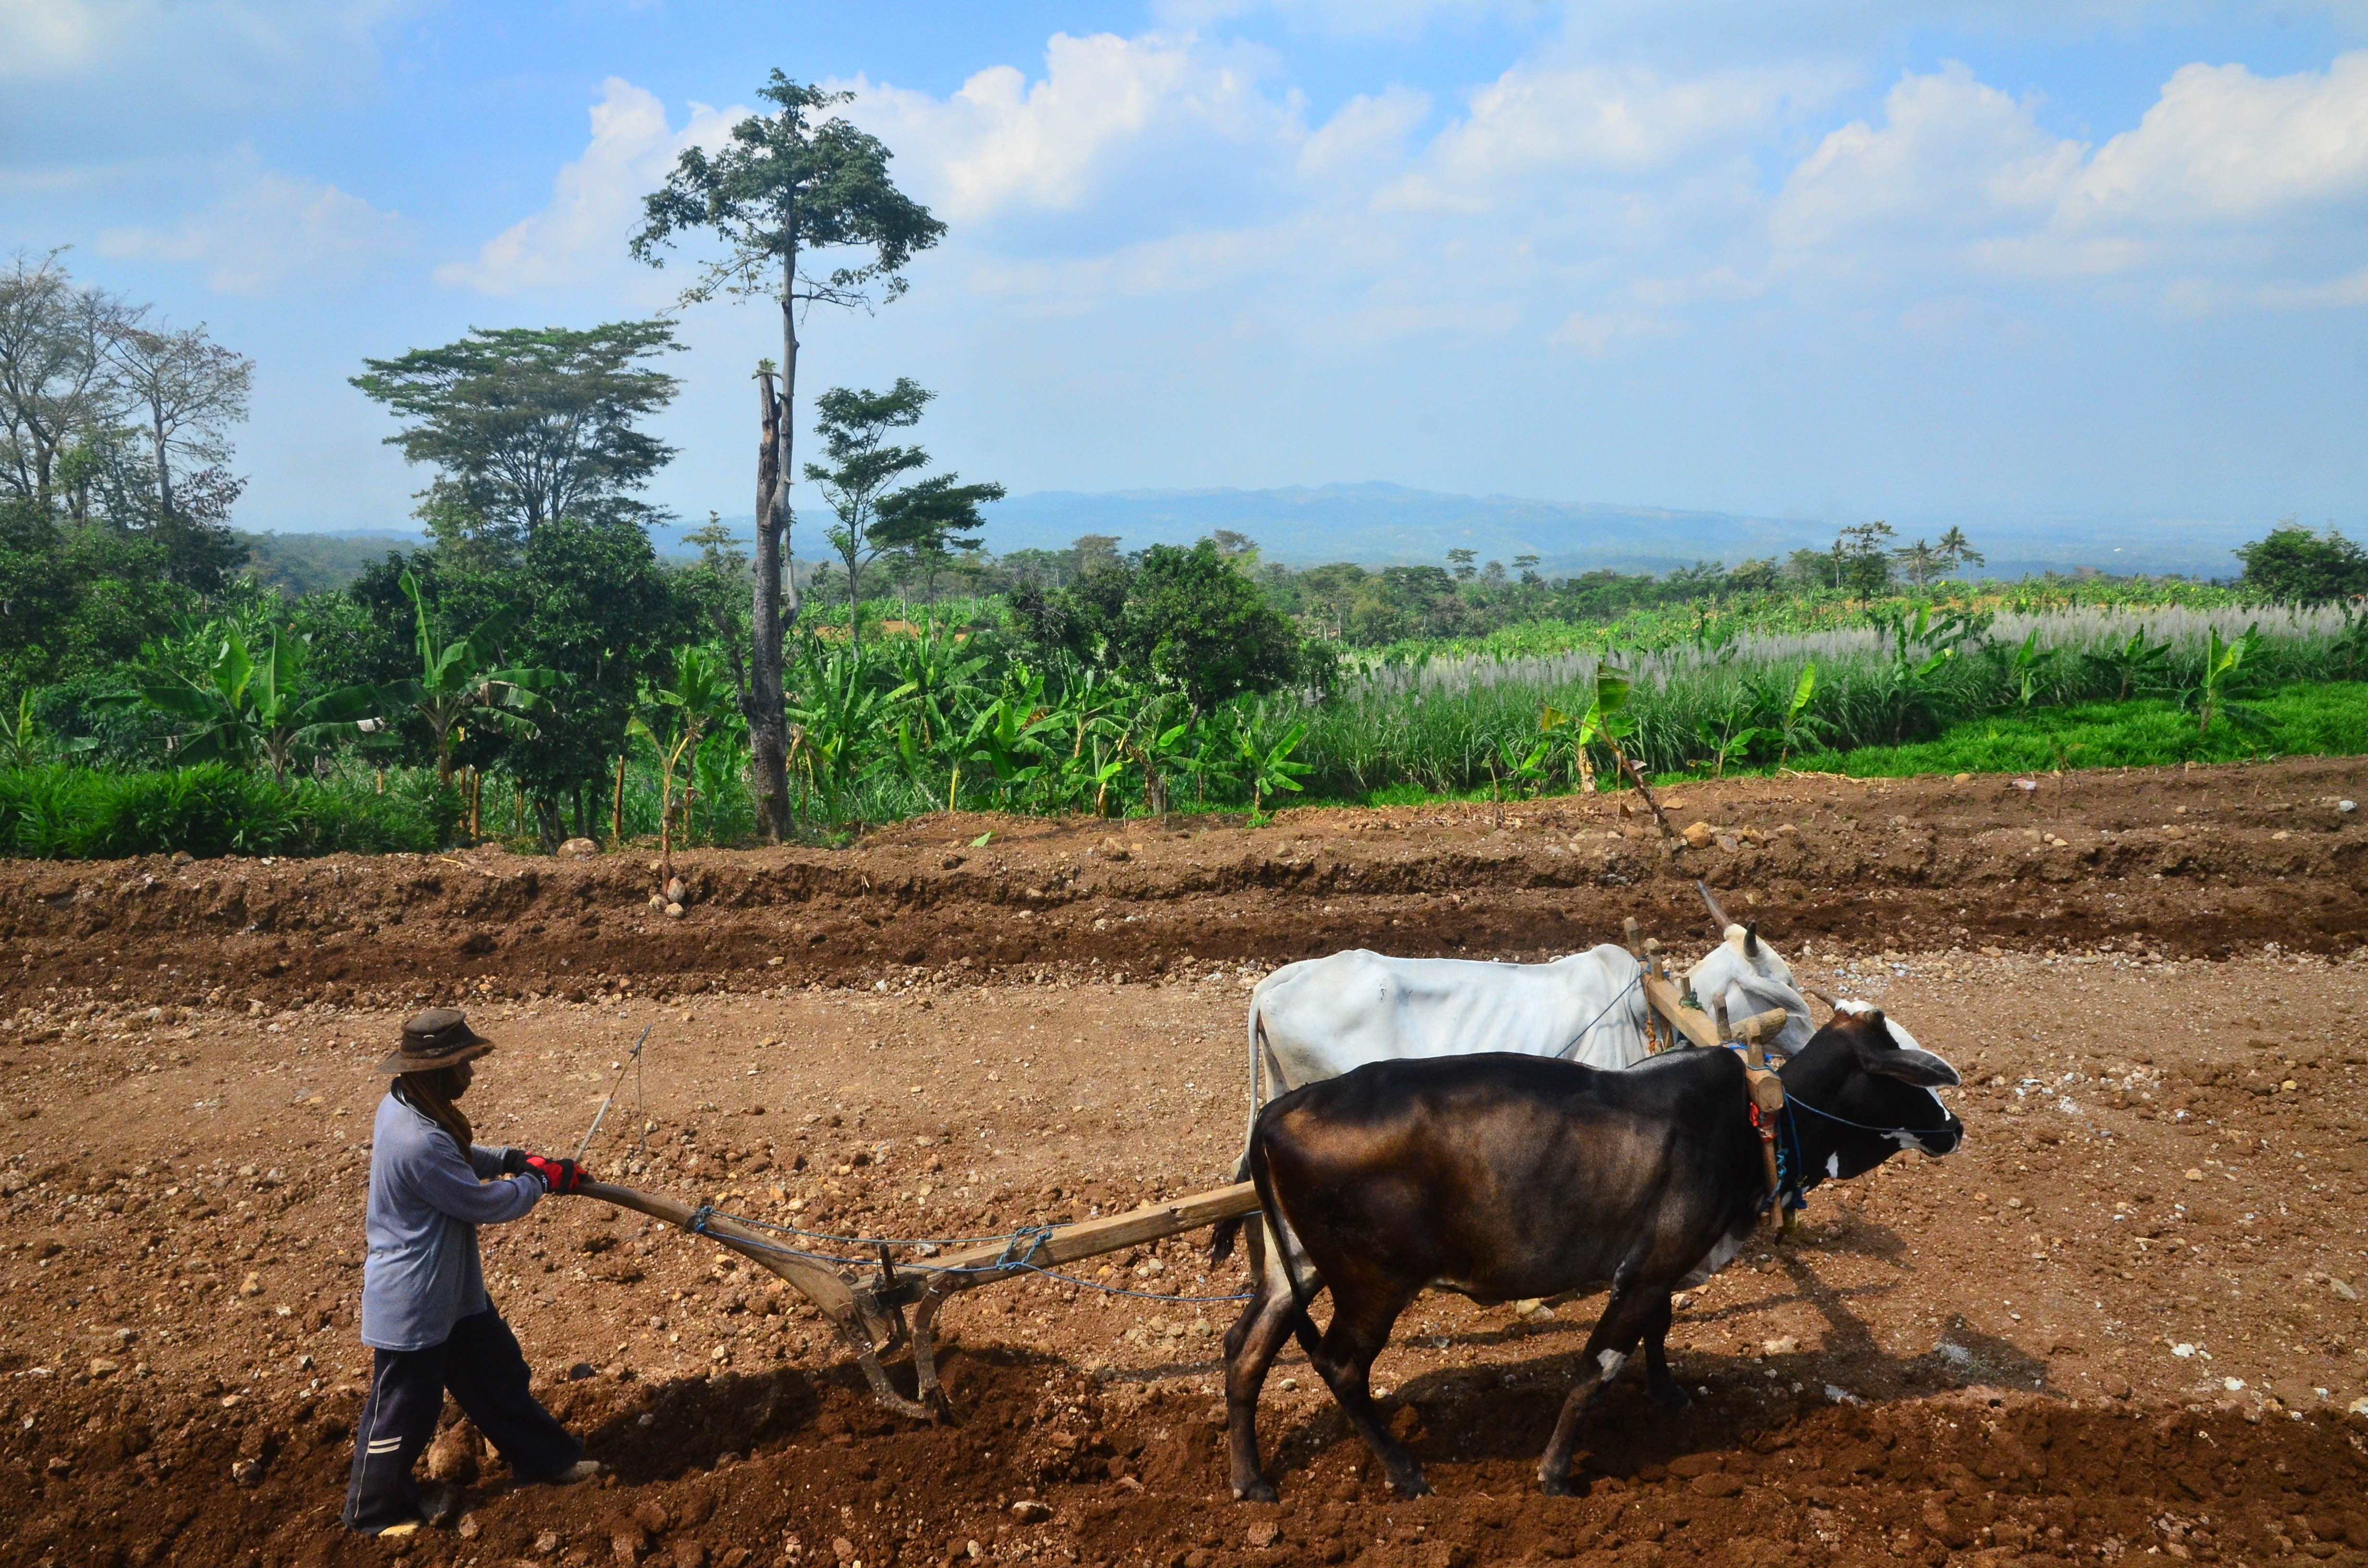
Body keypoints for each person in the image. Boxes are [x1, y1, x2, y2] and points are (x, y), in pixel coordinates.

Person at [342, 1008, 601, 1538]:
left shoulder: (410, 1104)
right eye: (464, 1064)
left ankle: (546, 1461)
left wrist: (513, 1158)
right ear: (437, 1070)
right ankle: (374, 1513)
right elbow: (480, 1204)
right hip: (414, 1300)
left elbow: (458, 1155)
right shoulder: (415, 1137)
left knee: (497, 1376)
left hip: (450, 1290)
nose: (471, 1073)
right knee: (404, 1409)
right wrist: (540, 1182)